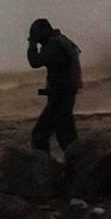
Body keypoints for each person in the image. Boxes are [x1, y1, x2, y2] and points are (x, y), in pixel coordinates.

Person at [25, 18, 82, 154]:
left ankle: (44, 168)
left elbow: (35, 61)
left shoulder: (54, 44)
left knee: (40, 135)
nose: (36, 39)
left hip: (60, 98)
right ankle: (77, 166)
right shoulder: (61, 41)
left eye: (36, 34)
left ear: (44, 31)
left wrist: (32, 44)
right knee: (67, 138)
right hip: (64, 95)